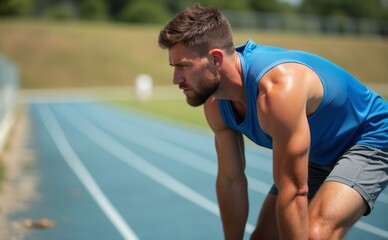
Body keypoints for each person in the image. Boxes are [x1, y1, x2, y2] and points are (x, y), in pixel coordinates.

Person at [158, 4, 388, 240]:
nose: (176, 79)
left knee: (316, 234)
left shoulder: (277, 91)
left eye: (183, 66)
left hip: (368, 136)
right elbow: (231, 181)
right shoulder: (215, 103)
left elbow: (294, 192)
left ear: (215, 59)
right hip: (317, 151)